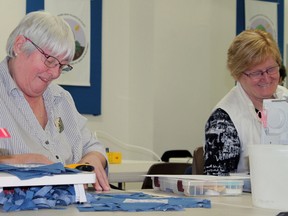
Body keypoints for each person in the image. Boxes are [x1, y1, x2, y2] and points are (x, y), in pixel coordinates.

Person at [0, 11, 110, 191]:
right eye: (50, 60)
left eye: (62, 65)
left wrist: (93, 160)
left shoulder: (61, 98)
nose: (55, 73)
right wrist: (21, 161)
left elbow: (93, 146)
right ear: (20, 46)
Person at [204, 29, 288, 176]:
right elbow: (217, 184)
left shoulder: (284, 98)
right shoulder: (223, 119)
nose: (267, 78)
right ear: (237, 74)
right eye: (256, 73)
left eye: (271, 69)